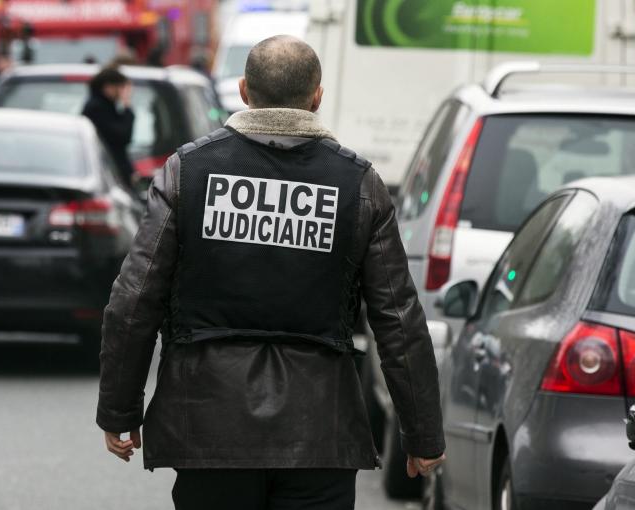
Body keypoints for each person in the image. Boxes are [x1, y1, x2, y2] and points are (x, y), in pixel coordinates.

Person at [96, 35, 445, 510]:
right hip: (320, 432)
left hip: (207, 428)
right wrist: (422, 433)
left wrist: (120, 409)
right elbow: (398, 318)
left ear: (243, 90)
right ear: (317, 96)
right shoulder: (359, 186)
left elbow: (134, 301)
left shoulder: (188, 173)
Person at [82, 67, 135, 182]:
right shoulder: (97, 109)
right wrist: (127, 107)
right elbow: (123, 136)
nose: (123, 92)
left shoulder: (105, 106)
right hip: (109, 170)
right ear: (108, 87)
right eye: (121, 87)